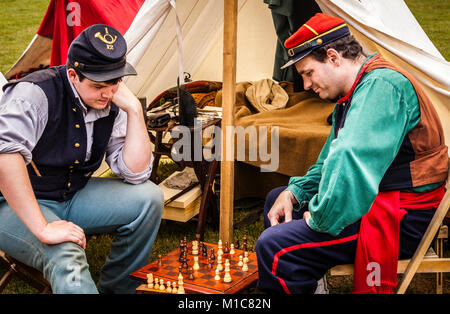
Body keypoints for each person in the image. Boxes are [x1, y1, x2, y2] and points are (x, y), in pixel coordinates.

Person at [255, 13, 448, 294]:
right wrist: (295, 192)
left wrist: (319, 219)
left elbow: (351, 159)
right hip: (382, 200)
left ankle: (295, 267)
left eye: (308, 73)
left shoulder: (381, 87)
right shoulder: (358, 90)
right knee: (279, 200)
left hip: (403, 216)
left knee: (274, 247)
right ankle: (307, 278)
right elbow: (330, 161)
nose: (306, 85)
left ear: (333, 57)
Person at [0, 24, 164, 294]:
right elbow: (5, 156)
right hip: (12, 205)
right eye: (99, 85)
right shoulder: (35, 93)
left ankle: (119, 289)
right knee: (65, 252)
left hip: (71, 196)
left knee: (149, 198)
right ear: (73, 74)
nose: (109, 93)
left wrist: (135, 110)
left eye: (115, 83)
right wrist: (43, 228)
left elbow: (136, 173)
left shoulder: (112, 98)